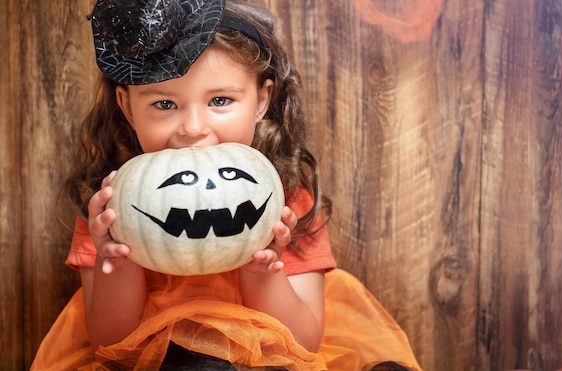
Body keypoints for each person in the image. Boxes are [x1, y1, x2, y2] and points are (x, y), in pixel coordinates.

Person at [31, 0, 421, 370]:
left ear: (262, 100)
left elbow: (303, 347)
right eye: (165, 104)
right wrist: (118, 261)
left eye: (220, 100)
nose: (194, 128)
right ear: (127, 106)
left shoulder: (282, 200)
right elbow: (110, 348)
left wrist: (260, 270)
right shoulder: (111, 206)